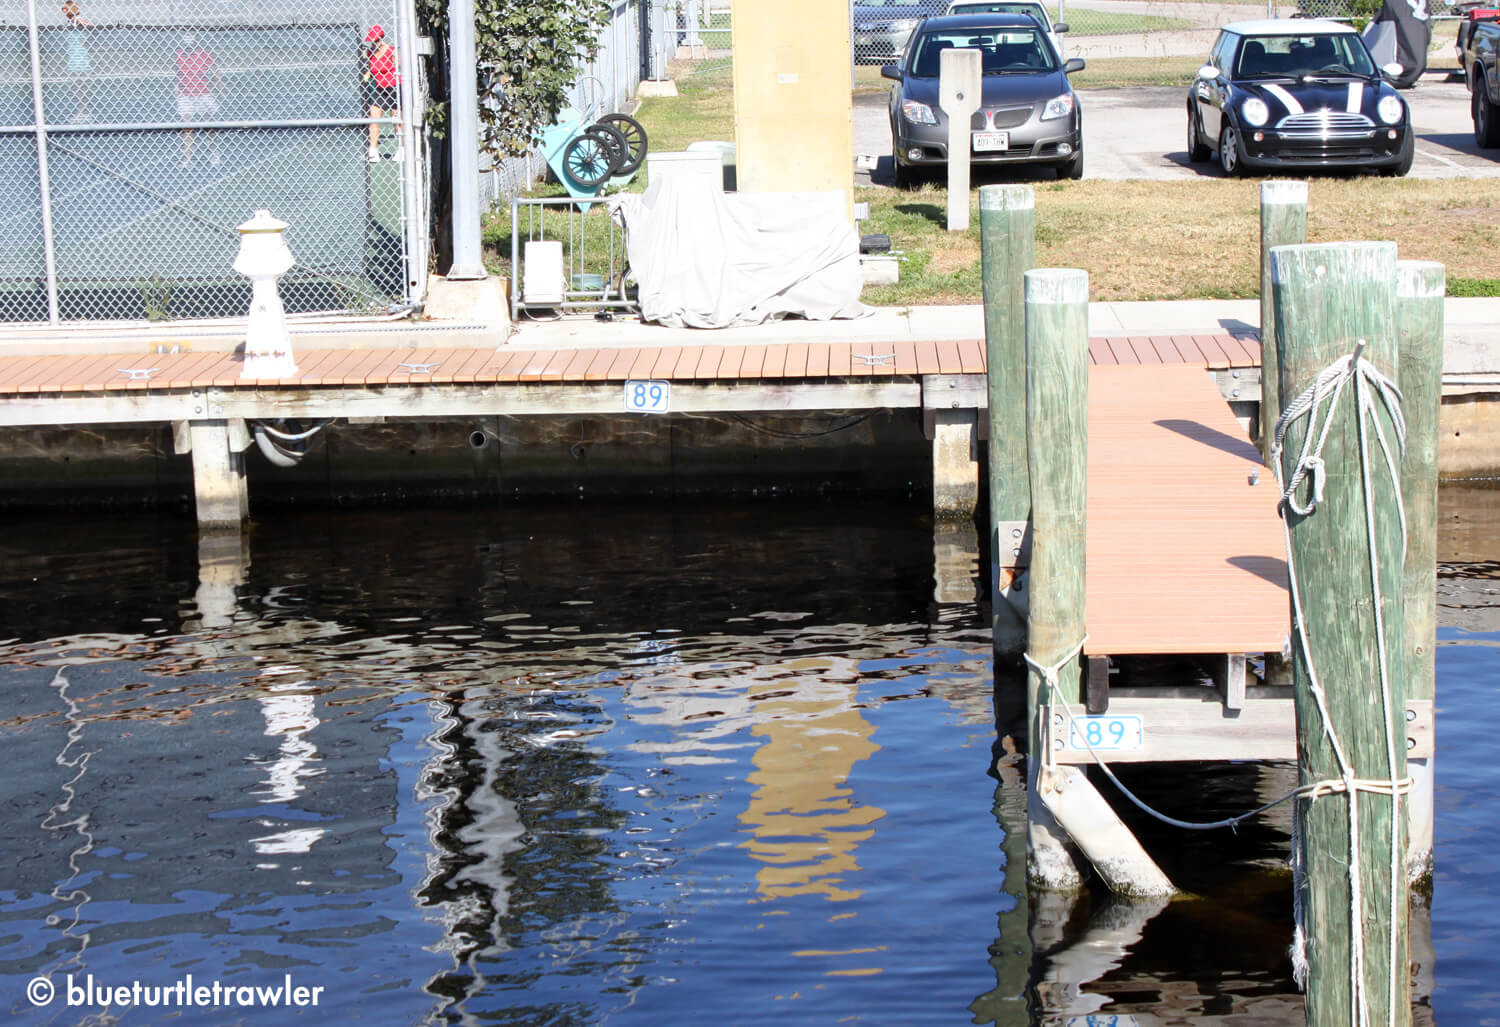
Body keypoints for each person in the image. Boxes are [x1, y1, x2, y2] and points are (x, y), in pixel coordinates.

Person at [175, 33, 222, 168]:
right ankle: (188, 158)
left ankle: (214, 153)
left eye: (190, 46)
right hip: (185, 95)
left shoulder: (204, 55)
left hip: (203, 94)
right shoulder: (178, 56)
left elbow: (215, 72)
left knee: (209, 125)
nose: (187, 49)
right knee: (187, 127)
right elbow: (178, 74)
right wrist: (177, 89)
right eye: (186, 47)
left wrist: (220, 87)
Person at [361, 25, 401, 162]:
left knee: (396, 117)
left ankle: (402, 148)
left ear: (381, 38)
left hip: (394, 87)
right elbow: (371, 69)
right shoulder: (370, 53)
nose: (374, 42)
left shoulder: (391, 51)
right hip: (379, 89)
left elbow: (400, 67)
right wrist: (367, 75)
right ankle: (373, 151)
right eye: (373, 40)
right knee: (374, 117)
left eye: (377, 40)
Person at [61, 1, 92, 123]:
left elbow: (90, 26)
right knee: (77, 87)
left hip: (80, 60)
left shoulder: (77, 20)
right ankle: (82, 111)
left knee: (81, 87)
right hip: (73, 59)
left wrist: (80, 21)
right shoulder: (70, 22)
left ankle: (84, 112)